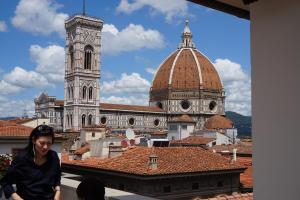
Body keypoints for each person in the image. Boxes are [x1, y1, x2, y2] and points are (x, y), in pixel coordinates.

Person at [0, 125, 61, 200]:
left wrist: (58, 192)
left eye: (49, 143)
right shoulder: (21, 158)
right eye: (42, 143)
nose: (45, 147)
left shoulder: (53, 156)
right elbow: (5, 182)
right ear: (33, 140)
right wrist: (17, 198)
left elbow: (57, 176)